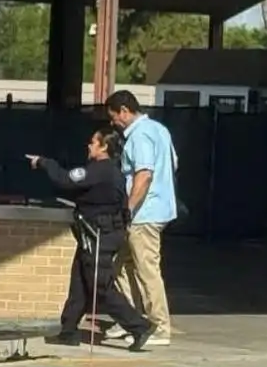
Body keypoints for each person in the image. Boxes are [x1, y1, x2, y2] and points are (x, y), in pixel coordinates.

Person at [26, 127, 156, 352]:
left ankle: (139, 326)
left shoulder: (101, 170)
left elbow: (67, 180)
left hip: (100, 236)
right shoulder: (106, 171)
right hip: (94, 234)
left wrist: (43, 162)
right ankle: (68, 331)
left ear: (103, 147)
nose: (88, 145)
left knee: (100, 285)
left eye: (92, 142)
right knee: (80, 281)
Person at [104, 90, 176, 346]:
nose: (113, 123)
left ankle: (159, 326)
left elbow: (143, 175)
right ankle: (129, 319)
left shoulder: (140, 135)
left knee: (146, 269)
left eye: (114, 117)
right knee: (120, 264)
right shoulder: (160, 130)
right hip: (156, 209)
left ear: (124, 110)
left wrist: (128, 209)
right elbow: (173, 165)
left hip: (144, 214)